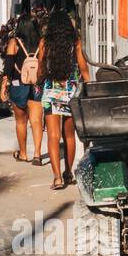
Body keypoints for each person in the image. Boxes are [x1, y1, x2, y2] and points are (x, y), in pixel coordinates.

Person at [38, 10, 91, 190]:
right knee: (69, 135)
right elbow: (84, 70)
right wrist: (89, 86)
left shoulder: (45, 43)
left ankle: (57, 178)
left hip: (51, 91)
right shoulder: (75, 43)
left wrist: (39, 82)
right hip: (71, 92)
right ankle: (69, 172)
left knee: (53, 135)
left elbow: (40, 69)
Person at [0, 13, 45, 166]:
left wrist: (4, 85)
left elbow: (8, 66)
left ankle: (24, 154)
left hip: (19, 84)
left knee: (21, 121)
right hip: (37, 84)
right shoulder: (41, 42)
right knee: (37, 121)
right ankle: (37, 154)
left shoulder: (14, 42)